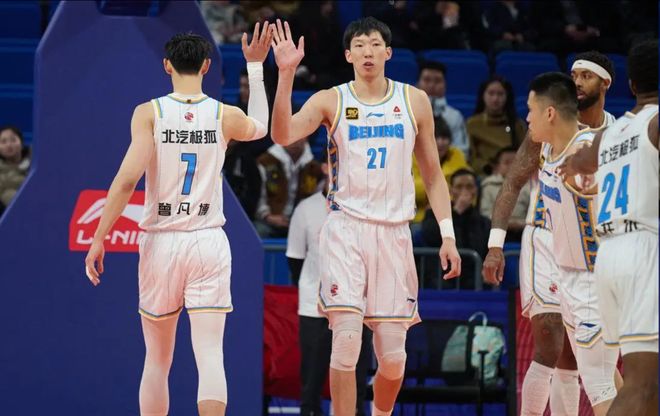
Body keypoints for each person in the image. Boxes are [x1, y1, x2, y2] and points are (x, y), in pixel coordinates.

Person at [269, 17, 461, 416]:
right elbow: (283, 135)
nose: (367, 51)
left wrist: (448, 235)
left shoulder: (414, 100)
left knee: (393, 358)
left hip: (394, 233)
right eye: (359, 45)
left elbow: (433, 176)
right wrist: (285, 75)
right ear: (348, 55)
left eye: (375, 44)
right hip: (346, 229)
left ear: (388, 52)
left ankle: (381, 413)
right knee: (345, 340)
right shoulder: (331, 100)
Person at [84, 26, 272, 416]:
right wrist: (255, 67)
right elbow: (261, 125)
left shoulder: (149, 113)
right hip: (207, 239)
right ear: (206, 66)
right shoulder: (224, 115)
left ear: (167, 65)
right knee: (210, 354)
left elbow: (126, 181)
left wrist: (99, 236)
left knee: (157, 359)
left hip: (162, 241)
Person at [482, 51, 617, 416]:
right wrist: (495, 245)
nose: (578, 82)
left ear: (605, 84)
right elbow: (512, 183)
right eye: (574, 75)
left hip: (590, 255)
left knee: (579, 358)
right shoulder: (544, 128)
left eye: (586, 76)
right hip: (545, 240)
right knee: (551, 343)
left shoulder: (613, 137)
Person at [558, 39, 658, 416]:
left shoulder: (610, 133)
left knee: (637, 384)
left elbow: (574, 166)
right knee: (637, 385)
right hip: (642, 252)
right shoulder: (652, 124)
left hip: (609, 256)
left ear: (630, 84)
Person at [286, 156, 372, 416]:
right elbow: (295, 258)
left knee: (355, 379)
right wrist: (318, 286)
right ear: (325, 167)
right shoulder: (306, 209)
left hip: (355, 304)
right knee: (311, 381)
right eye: (335, 161)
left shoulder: (365, 206)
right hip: (314, 305)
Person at [422, 168, 490, 289]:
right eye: (459, 187)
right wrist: (457, 213)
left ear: (476, 190)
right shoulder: (432, 215)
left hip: (472, 277)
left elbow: (479, 248)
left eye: (469, 186)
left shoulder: (484, 222)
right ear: (451, 190)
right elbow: (431, 238)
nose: (464, 191)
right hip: (441, 275)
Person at [254, 139, 322, 237]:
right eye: (291, 135)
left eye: (299, 136)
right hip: (269, 221)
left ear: (307, 136)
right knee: (258, 231)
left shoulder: (315, 168)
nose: (295, 141)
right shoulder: (264, 162)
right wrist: (267, 216)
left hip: (302, 224)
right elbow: (258, 195)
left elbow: (317, 200)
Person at [411, 115, 470, 228]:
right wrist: (444, 189)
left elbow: (465, 185)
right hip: (420, 217)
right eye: (435, 138)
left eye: (444, 138)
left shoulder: (457, 155)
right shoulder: (414, 155)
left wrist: (432, 191)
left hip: (454, 213)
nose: (440, 142)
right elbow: (412, 189)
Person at [467, 75, 527, 176]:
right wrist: (488, 168)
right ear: (483, 95)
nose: (495, 99)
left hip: (513, 173)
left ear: (507, 97)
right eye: (491, 93)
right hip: (485, 174)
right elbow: (471, 157)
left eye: (500, 94)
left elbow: (525, 154)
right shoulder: (472, 124)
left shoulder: (518, 125)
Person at [417, 61, 469, 157]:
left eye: (437, 81)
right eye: (427, 80)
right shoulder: (406, 113)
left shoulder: (455, 116)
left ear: (445, 85)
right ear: (418, 83)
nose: (432, 85)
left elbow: (462, 151)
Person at [479, 146, 528, 241]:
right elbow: (485, 214)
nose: (511, 166)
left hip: (524, 231)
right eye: (506, 163)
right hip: (495, 231)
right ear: (498, 166)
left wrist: (520, 224)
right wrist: (504, 223)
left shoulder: (530, 186)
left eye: (515, 161)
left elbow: (535, 215)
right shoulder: (488, 186)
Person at [0, 125, 31, 214]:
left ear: (22, 143)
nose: (9, 145)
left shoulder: (36, 161)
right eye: (3, 141)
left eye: (13, 140)